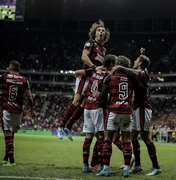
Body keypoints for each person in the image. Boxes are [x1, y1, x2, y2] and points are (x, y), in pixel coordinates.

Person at [112, 48, 162, 176]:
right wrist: (142, 56)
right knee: (133, 137)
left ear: (140, 64)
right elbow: (139, 68)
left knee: (146, 138)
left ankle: (156, 166)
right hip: (136, 108)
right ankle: (138, 165)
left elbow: (138, 72)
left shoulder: (142, 73)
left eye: (137, 60)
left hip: (142, 108)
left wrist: (120, 67)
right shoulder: (142, 70)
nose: (134, 61)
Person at [58, 20, 110, 140]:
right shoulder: (90, 43)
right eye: (99, 30)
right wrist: (94, 67)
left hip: (94, 79)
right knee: (76, 102)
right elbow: (84, 57)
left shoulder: (104, 50)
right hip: (86, 78)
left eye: (103, 31)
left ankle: (68, 126)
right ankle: (61, 126)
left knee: (85, 104)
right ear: (95, 33)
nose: (101, 32)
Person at [96, 56, 133, 177]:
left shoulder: (109, 78)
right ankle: (126, 169)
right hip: (127, 111)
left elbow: (102, 98)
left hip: (114, 111)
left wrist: (105, 100)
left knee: (108, 139)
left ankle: (106, 169)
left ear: (117, 64)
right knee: (126, 140)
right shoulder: (132, 78)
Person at [79, 54, 116, 173]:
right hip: (98, 107)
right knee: (101, 136)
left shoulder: (94, 71)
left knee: (88, 137)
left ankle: (85, 166)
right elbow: (106, 94)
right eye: (114, 64)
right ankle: (101, 165)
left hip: (87, 107)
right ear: (111, 64)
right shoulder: (108, 75)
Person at [0, 60, 34, 167]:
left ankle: (12, 160)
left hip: (7, 110)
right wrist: (31, 108)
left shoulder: (5, 77)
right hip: (18, 111)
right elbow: (29, 97)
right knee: (11, 134)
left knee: (7, 134)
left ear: (11, 68)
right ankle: (6, 158)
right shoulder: (24, 80)